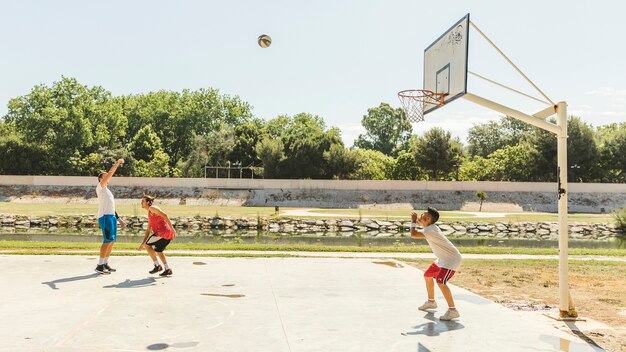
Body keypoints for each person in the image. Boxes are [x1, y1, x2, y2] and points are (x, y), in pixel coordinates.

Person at [410, 207, 462, 321]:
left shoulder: (430, 230)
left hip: (451, 260)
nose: (420, 215)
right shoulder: (430, 228)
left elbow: (413, 234)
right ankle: (431, 302)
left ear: (428, 218)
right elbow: (421, 228)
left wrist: (413, 220)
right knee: (427, 275)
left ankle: (453, 310)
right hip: (442, 259)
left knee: (440, 281)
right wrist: (419, 221)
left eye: (423, 214)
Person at [95, 159, 126, 274]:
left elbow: (112, 207)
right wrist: (117, 164)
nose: (107, 177)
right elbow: (110, 174)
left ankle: (105, 263)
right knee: (107, 241)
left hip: (111, 217)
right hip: (105, 217)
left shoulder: (108, 191)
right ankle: (99, 265)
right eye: (105, 176)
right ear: (100, 179)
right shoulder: (100, 187)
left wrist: (119, 219)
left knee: (112, 241)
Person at [139, 195, 176, 276]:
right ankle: (167, 269)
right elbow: (148, 230)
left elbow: (165, 215)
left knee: (147, 245)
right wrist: (143, 243)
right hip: (166, 234)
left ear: (148, 202)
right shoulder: (149, 213)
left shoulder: (152, 208)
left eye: (143, 201)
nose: (141, 202)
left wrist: (172, 228)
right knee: (158, 251)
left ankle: (157, 266)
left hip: (163, 232)